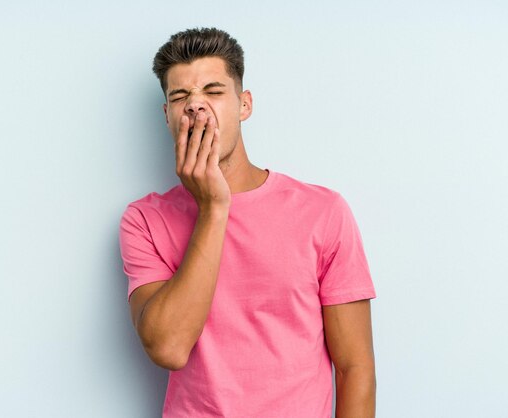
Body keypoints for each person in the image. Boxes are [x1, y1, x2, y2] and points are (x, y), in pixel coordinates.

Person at [119, 27, 377, 418]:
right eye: (179, 96)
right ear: (167, 115)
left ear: (244, 105)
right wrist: (213, 208)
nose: (195, 106)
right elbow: (169, 347)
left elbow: (355, 368)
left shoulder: (323, 211)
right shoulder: (144, 220)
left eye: (213, 91)